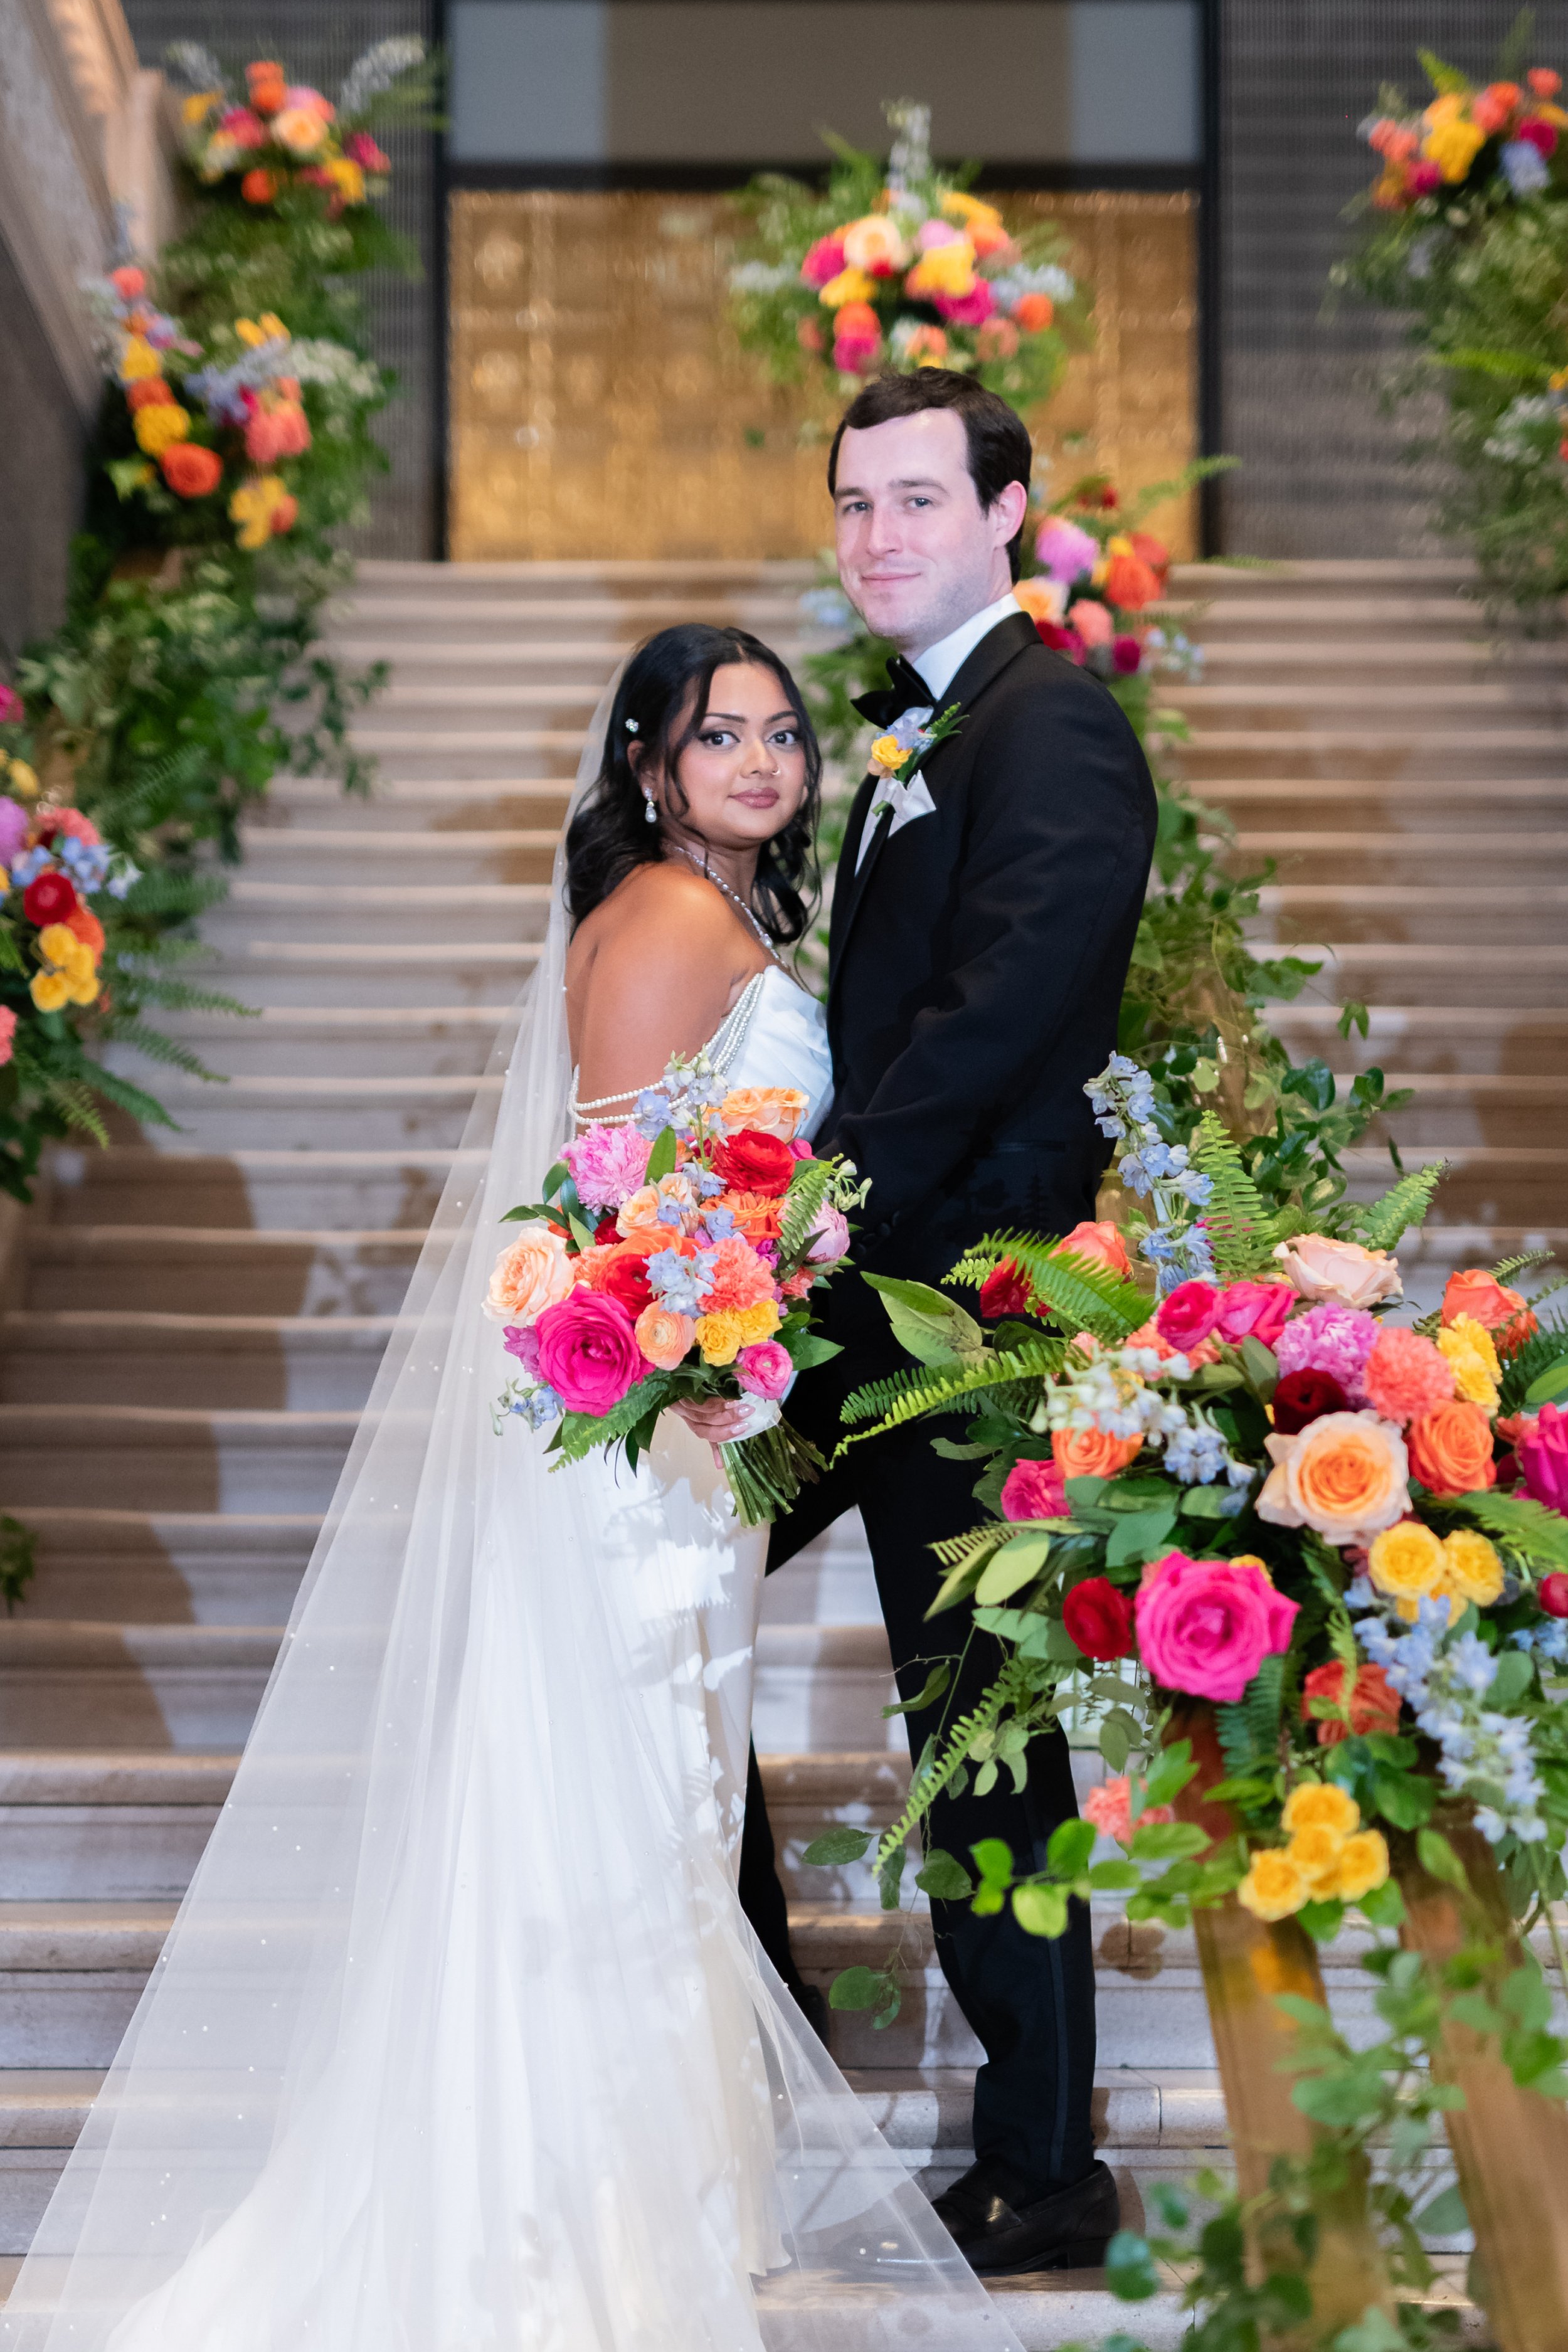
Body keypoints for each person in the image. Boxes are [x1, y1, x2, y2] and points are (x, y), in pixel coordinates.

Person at [2, 626, 1023, 2352]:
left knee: (673, 1813)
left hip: (693, 1430)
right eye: (722, 737)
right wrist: (700, 1366)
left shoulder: (727, 915)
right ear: (647, 765)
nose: (763, 763)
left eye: (781, 734)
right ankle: (573, 2229)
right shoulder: (672, 921)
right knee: (624, 1814)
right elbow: (613, 1199)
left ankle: (650, 2205)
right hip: (648, 1442)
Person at [741, 370, 1158, 2277]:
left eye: (917, 500)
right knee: (633, 1574)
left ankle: (1043, 2169)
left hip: (956, 1301)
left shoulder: (1047, 723)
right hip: (883, 1290)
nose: (878, 537)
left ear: (1007, 512)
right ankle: (740, 2027)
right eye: (853, 506)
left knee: (979, 1726)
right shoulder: (924, 732)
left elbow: (999, 1010)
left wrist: (825, 1202)